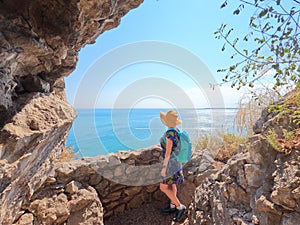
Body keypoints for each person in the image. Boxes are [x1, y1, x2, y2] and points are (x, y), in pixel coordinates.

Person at [159, 110, 186, 222]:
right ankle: (172, 206)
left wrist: (164, 168)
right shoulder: (177, 131)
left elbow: (168, 152)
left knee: (163, 187)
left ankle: (180, 206)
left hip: (170, 164)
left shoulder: (169, 134)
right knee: (172, 184)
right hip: (177, 162)